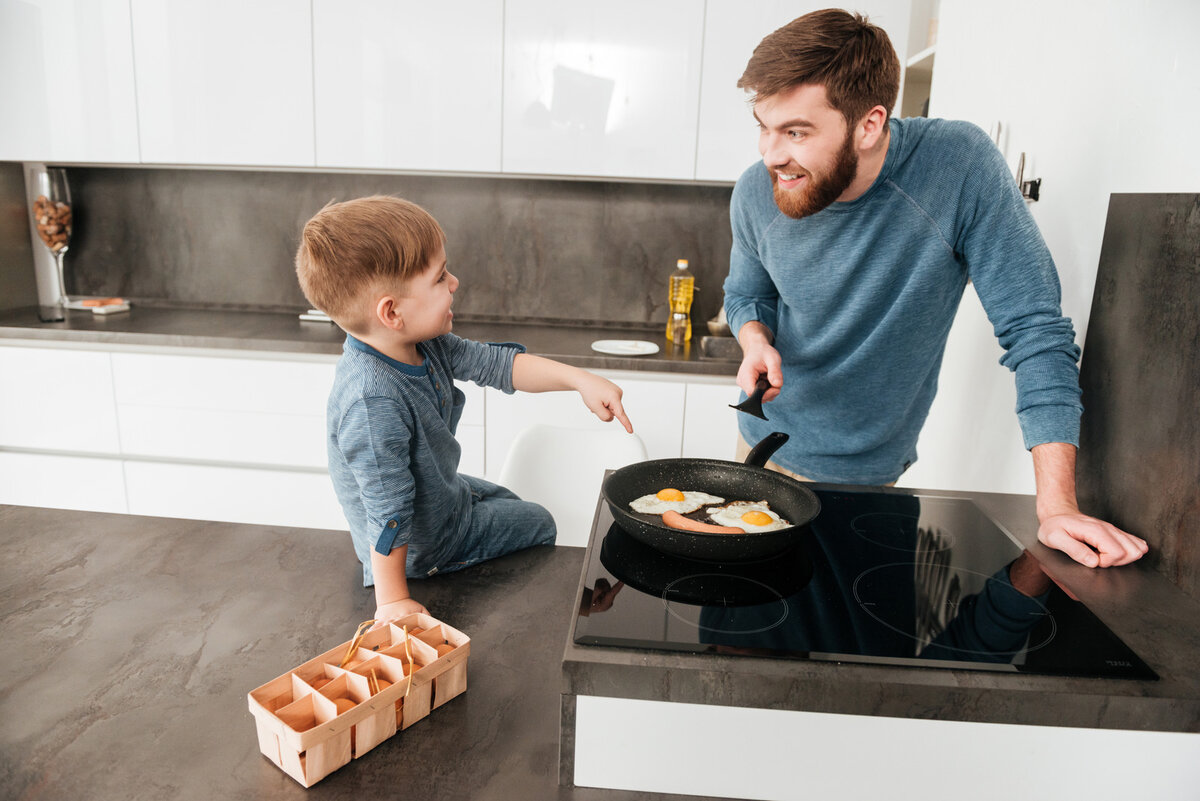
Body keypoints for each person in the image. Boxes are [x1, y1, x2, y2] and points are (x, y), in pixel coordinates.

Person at [722, 9, 1147, 568]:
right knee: (742, 638)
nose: (771, 154)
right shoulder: (759, 191)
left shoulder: (958, 167)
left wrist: (1057, 507)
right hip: (760, 453)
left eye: (796, 131)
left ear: (869, 124)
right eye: (763, 126)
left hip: (874, 474)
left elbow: (1037, 332)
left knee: (862, 646)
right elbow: (747, 291)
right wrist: (755, 338)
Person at [295, 195, 634, 627]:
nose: (454, 282)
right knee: (541, 522)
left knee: (510, 503)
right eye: (439, 278)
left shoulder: (419, 342)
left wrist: (580, 380)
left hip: (443, 494)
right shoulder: (371, 400)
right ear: (391, 312)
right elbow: (388, 510)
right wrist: (393, 601)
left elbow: (499, 366)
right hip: (425, 545)